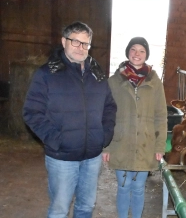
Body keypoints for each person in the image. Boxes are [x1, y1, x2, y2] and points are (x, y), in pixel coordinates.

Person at [23, 21, 117, 218]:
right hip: (62, 158)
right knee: (60, 209)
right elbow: (32, 112)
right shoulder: (47, 74)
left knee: (86, 206)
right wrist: (55, 139)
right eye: (75, 42)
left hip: (92, 156)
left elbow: (109, 106)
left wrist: (104, 135)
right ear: (64, 41)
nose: (80, 48)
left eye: (86, 44)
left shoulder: (97, 75)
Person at [103, 37, 167, 218]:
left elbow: (161, 116)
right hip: (120, 142)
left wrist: (160, 145)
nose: (137, 54)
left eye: (141, 51)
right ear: (127, 52)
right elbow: (106, 115)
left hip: (146, 143)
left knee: (138, 188)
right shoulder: (114, 81)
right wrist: (106, 145)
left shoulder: (155, 82)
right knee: (123, 187)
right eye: (133, 49)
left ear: (146, 54)